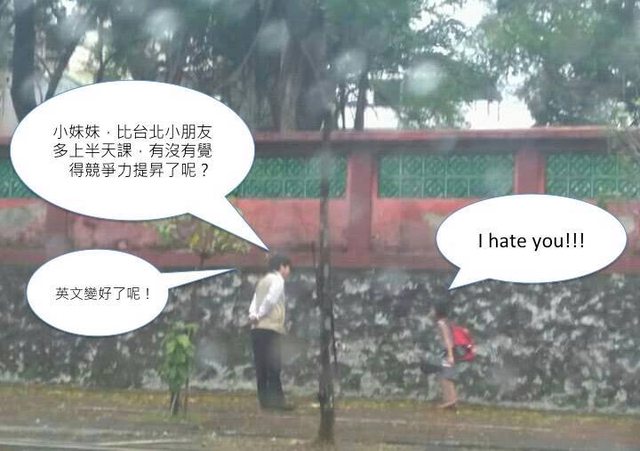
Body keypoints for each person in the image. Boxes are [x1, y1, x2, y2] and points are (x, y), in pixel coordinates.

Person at [248, 254, 294, 411]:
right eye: (288, 268)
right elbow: (270, 300)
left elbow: (254, 301)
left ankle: (264, 401)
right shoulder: (278, 280)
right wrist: (260, 314)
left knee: (261, 366)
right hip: (271, 328)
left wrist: (253, 316)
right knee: (274, 366)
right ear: (282, 267)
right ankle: (277, 401)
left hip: (257, 329)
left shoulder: (262, 281)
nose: (288, 272)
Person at [434, 301, 458, 409]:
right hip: (448, 351)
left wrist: (450, 355)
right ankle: (450, 399)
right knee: (445, 375)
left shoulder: (441, 324)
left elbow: (447, 340)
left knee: (445, 376)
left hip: (446, 352)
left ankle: (451, 400)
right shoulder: (447, 322)